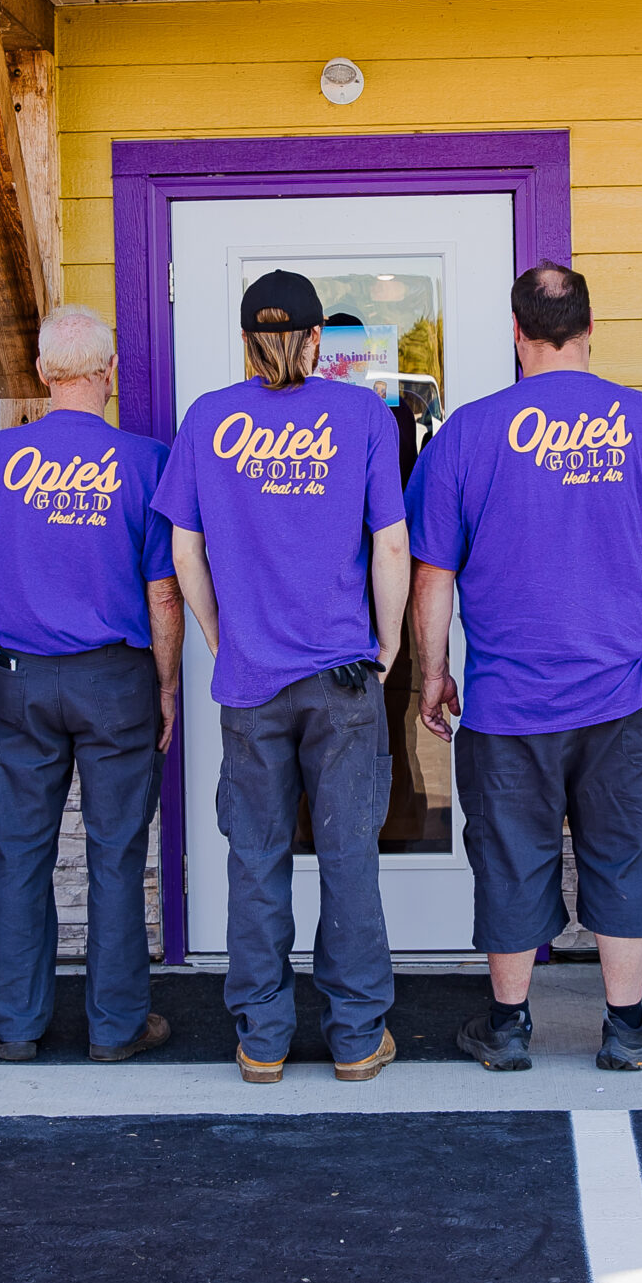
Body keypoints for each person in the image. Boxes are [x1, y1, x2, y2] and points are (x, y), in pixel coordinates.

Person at [408, 265, 642, 1074]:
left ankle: (509, 1027)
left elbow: (432, 577)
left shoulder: (469, 434)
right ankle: (625, 1028)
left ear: (517, 332)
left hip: (508, 704)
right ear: (590, 330)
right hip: (623, 697)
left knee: (512, 853)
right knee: (626, 851)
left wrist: (433, 673)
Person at [156, 269, 411, 1084]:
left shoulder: (207, 419)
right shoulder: (362, 414)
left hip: (253, 680)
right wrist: (391, 640)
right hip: (342, 675)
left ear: (245, 338)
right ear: (312, 339)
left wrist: (218, 633)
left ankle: (262, 1039)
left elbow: (183, 552)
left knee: (256, 859)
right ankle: (355, 1038)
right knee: (348, 858)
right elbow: (393, 545)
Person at [0, 305, 180, 1066]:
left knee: (22, 852)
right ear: (107, 373)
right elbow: (162, 596)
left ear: (45, 375)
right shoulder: (144, 462)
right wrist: (168, 688)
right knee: (115, 855)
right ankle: (115, 1027)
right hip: (116, 680)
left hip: (21, 675)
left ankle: (15, 1024)